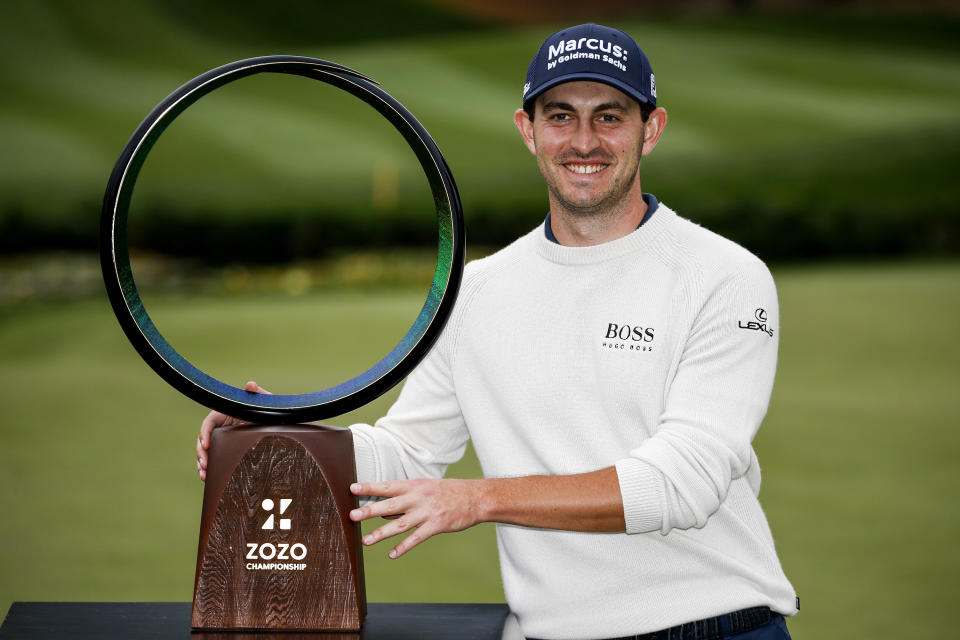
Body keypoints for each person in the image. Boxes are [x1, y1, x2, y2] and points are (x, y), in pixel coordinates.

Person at [197, 23, 797, 640]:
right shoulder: (475, 290)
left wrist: (479, 498)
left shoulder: (725, 276)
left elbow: (681, 483)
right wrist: (278, 430)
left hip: (714, 624)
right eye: (560, 116)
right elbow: (407, 455)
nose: (583, 141)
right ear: (526, 130)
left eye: (609, 116)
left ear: (652, 129)